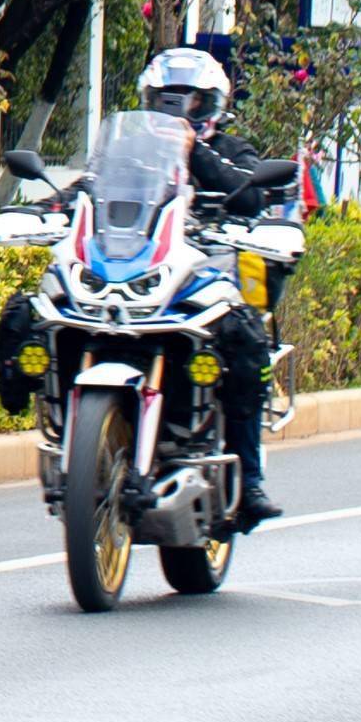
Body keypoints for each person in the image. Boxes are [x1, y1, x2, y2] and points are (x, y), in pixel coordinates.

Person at [137, 45, 291, 530]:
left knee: (245, 345)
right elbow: (95, 184)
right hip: (146, 276)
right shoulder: (136, 153)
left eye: (191, 102)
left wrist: (193, 150)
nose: (179, 111)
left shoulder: (229, 148)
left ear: (211, 106)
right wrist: (54, 205)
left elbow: (247, 193)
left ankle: (249, 479)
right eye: (167, 100)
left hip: (208, 278)